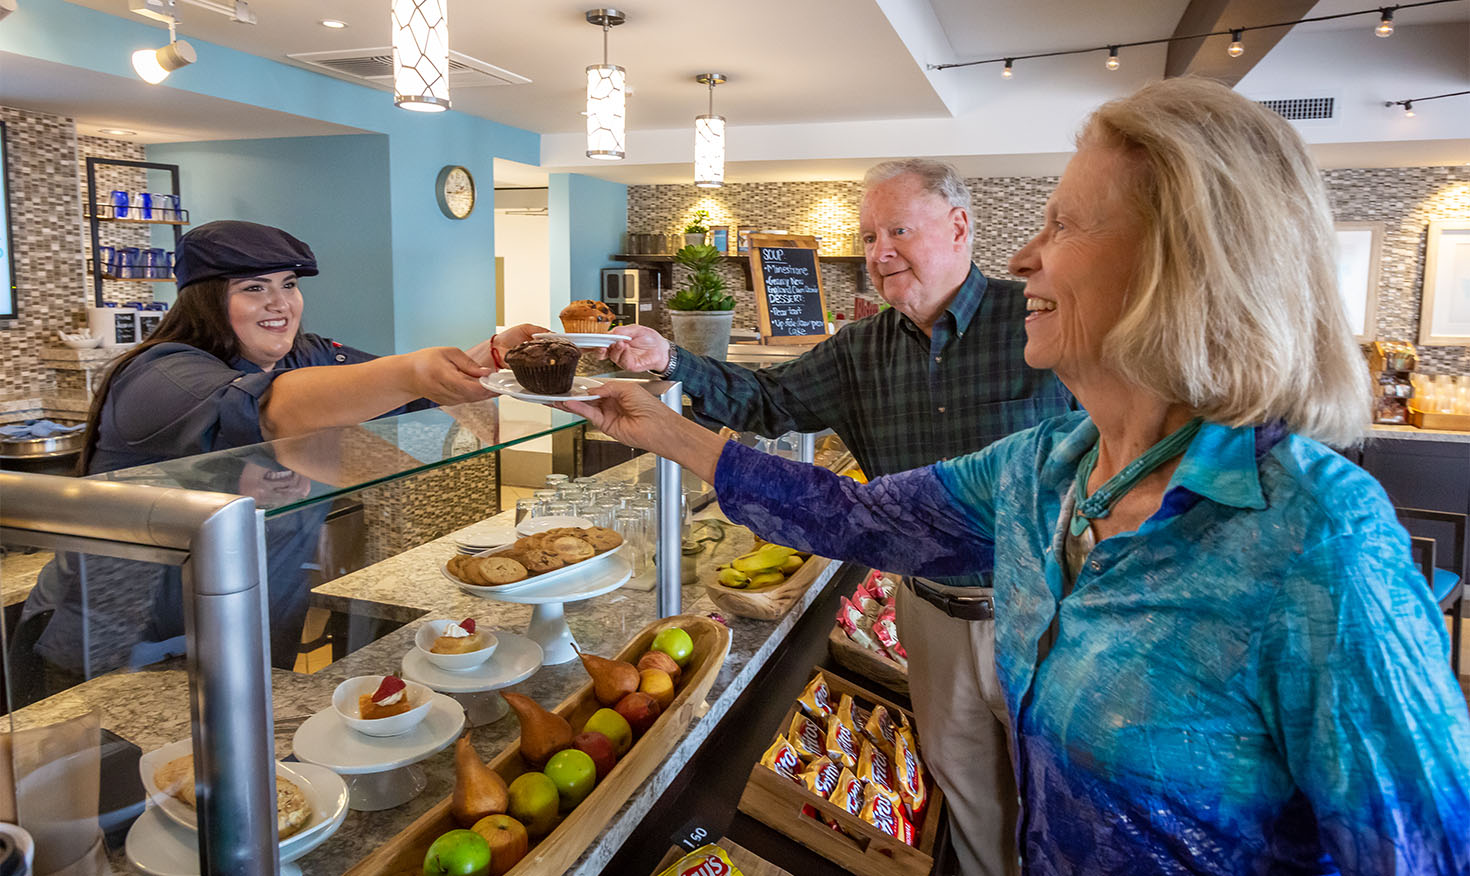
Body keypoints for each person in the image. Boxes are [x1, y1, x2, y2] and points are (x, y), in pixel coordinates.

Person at [565, 78, 1470, 873]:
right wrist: (659, 423)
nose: (1026, 255)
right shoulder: (1048, 470)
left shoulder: (1321, 538)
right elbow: (855, 515)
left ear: (1182, 261)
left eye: (1064, 223)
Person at [606, 159, 1073, 875]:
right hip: (929, 612)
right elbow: (765, 402)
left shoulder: (1042, 323)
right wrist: (671, 358)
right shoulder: (863, 351)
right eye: (868, 235)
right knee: (971, 801)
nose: (878, 252)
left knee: (1068, 810)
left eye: (897, 231)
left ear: (959, 227)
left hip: (1048, 614)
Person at [16, 220, 547, 686]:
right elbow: (266, 410)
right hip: (113, 636)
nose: (280, 303)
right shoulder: (160, 373)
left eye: (288, 286)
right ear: (204, 298)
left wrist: (493, 353)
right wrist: (410, 372)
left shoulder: (307, 354)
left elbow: (409, 391)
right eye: (254, 288)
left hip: (245, 626)